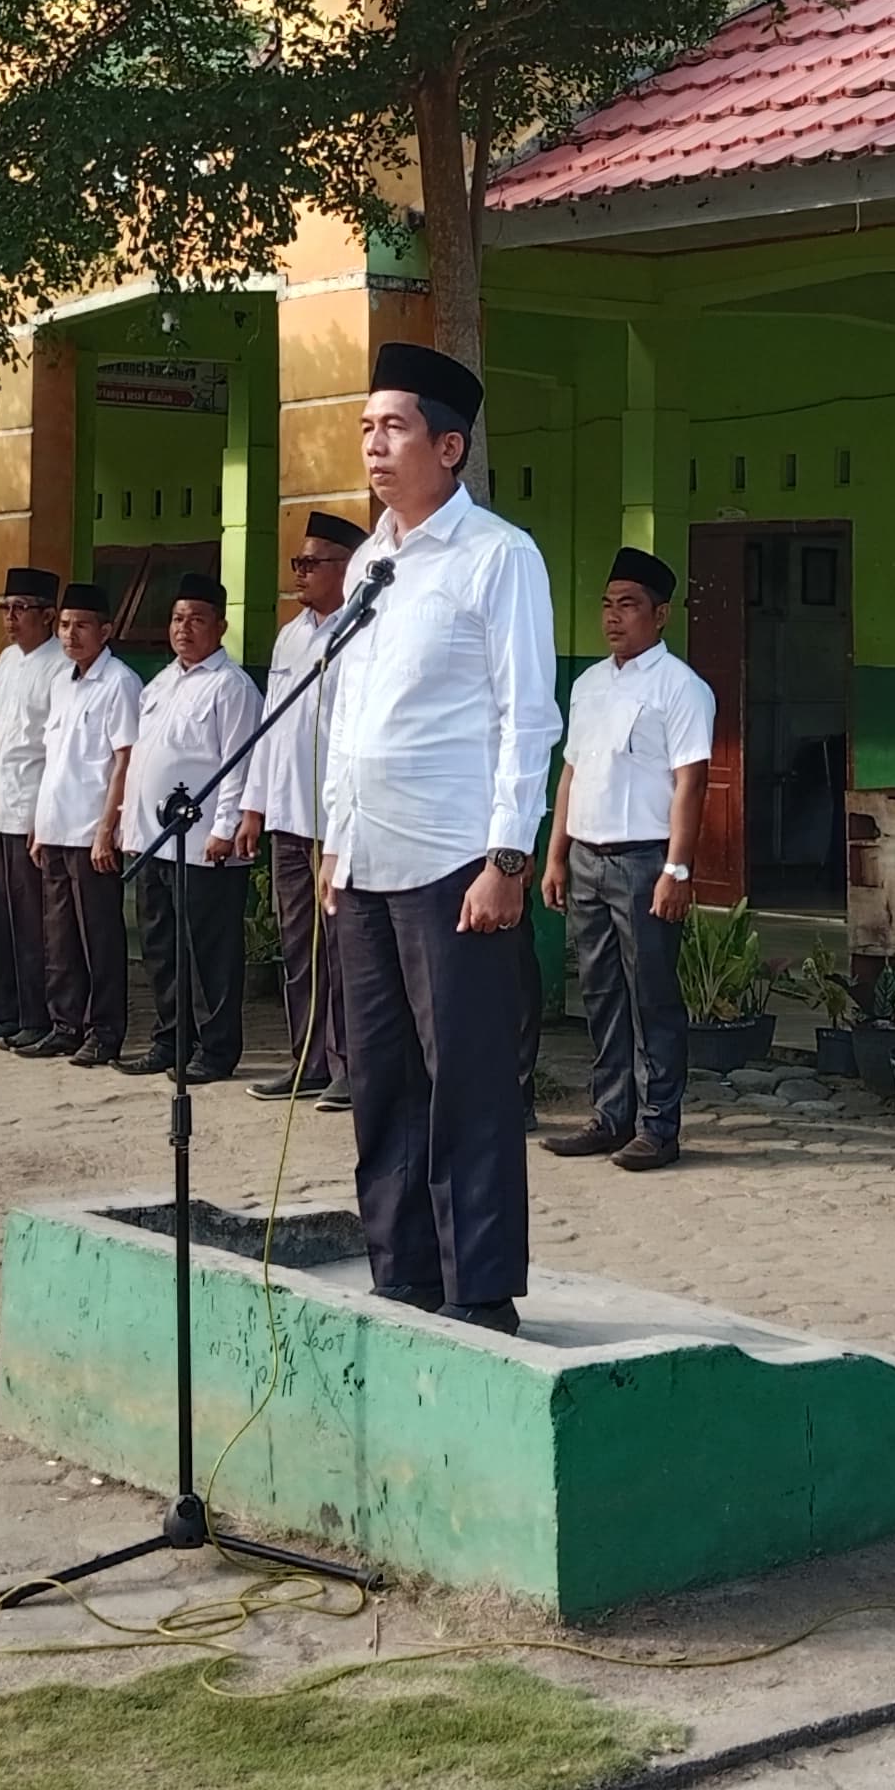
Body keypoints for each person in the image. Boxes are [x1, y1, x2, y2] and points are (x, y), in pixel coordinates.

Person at [321, 342, 561, 1332]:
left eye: (396, 428)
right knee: (379, 1079)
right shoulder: (370, 564)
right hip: (367, 860)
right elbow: (348, 710)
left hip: (456, 861)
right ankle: (403, 1271)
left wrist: (508, 856)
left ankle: (479, 1289)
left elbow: (526, 714)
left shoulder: (499, 558)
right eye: (367, 428)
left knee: (465, 1082)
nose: (375, 445)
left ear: (449, 446)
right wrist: (334, 836)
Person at [541, 548, 716, 1172]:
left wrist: (678, 869)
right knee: (600, 992)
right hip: (587, 858)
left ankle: (659, 1127)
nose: (614, 618)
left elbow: (691, 784)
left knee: (653, 997)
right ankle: (610, 1115)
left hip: (645, 864)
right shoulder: (588, 685)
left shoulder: (682, 689)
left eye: (630, 606)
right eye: (608, 606)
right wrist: (556, 856)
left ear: (661, 614)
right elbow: (570, 775)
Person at [238, 515, 364, 1104]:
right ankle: (307, 1059)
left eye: (312, 564)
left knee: (343, 950)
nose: (300, 574)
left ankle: (349, 1068)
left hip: (338, 823)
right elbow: (270, 727)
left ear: (347, 568)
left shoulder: (362, 630)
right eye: (297, 564)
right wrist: (253, 808)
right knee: (299, 948)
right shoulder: (291, 636)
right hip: (290, 818)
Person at [117, 575, 261, 1082]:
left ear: (220, 627)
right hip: (155, 843)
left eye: (197, 620)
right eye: (178, 619)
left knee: (208, 953)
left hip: (205, 845)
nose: (184, 629)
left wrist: (226, 827)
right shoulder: (161, 683)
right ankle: (171, 1038)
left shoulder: (232, 686)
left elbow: (239, 762)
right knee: (161, 946)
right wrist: (130, 832)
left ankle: (216, 1050)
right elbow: (142, 763)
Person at [20, 582, 143, 1066]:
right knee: (59, 937)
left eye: (82, 626)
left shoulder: (119, 682)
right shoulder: (61, 681)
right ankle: (65, 1024)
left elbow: (124, 760)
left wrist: (106, 829)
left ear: (106, 630)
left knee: (100, 939)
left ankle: (104, 1030)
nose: (70, 635)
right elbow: (54, 759)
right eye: (65, 625)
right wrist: (38, 824)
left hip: (92, 833)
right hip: (55, 826)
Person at [0, 567, 64, 1046]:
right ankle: (5, 1012)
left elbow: (53, 750)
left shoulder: (59, 665)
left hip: (32, 807)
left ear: (48, 615)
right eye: (4, 608)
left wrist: (41, 818)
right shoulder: (6, 661)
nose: (10, 618)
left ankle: (37, 1018)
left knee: (34, 925)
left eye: (20, 608)